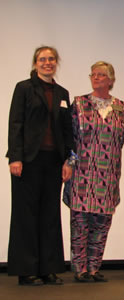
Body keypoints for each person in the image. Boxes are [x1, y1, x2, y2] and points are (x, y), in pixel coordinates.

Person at [7, 46, 74, 286]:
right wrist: (15, 157)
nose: (48, 63)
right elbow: (15, 123)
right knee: (26, 215)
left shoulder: (63, 93)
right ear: (36, 63)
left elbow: (68, 131)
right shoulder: (24, 88)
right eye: (43, 59)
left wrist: (69, 160)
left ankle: (48, 269)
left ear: (56, 63)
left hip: (54, 161)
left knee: (49, 215)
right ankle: (26, 271)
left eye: (51, 59)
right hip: (27, 161)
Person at [63, 61, 124, 282]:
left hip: (108, 173)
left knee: (101, 223)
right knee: (80, 223)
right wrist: (69, 163)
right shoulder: (79, 103)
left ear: (111, 80)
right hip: (82, 171)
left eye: (102, 75)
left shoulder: (120, 107)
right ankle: (80, 269)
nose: (96, 78)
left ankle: (94, 268)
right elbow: (70, 138)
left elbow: (120, 141)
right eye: (94, 74)